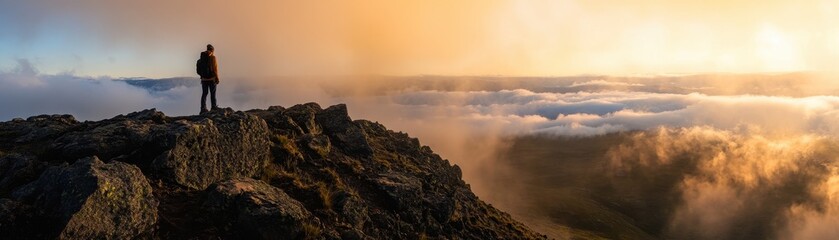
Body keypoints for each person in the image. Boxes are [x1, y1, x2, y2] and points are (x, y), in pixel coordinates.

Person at [199, 44, 220, 114]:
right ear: (212, 50)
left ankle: (203, 108)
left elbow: (198, 70)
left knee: (204, 94)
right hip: (212, 79)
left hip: (204, 80)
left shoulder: (200, 59)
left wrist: (202, 76)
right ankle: (213, 107)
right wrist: (217, 78)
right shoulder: (213, 58)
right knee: (213, 94)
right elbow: (215, 69)